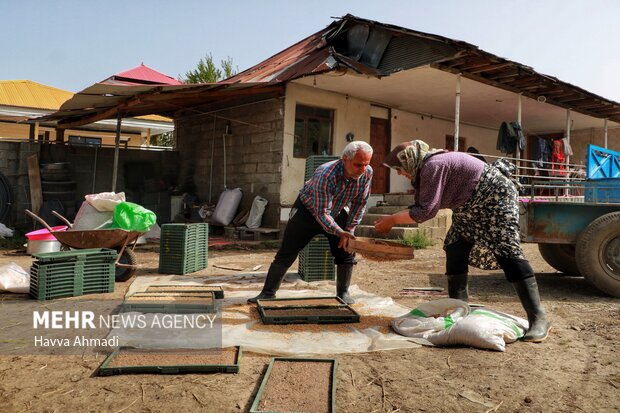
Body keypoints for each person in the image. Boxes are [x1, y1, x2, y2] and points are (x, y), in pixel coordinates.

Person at [374, 140, 551, 342]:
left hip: (495, 198)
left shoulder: (433, 166)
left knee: (507, 251)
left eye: (399, 169)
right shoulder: (425, 168)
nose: (400, 174)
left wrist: (392, 219)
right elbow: (423, 204)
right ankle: (460, 310)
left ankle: (538, 317)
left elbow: (425, 211)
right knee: (455, 246)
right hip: (468, 206)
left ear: (410, 161)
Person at [248, 141, 373, 304]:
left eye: (366, 164)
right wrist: (338, 231)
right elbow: (321, 213)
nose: (362, 170)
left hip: (338, 209)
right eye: (358, 165)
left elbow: (360, 203)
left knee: (346, 249)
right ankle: (268, 292)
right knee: (287, 251)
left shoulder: (367, 173)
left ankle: (343, 292)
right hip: (308, 211)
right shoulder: (326, 174)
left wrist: (349, 230)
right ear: (345, 159)